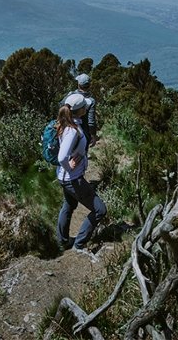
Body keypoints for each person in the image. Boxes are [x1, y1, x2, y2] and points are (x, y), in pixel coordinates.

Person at [56, 94, 107, 252]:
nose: (87, 107)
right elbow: (61, 157)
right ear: (80, 111)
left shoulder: (66, 124)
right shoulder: (73, 131)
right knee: (100, 210)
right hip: (73, 179)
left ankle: (63, 241)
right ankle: (79, 244)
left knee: (69, 205)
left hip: (64, 177)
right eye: (85, 106)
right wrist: (69, 166)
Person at [62, 73, 98, 147]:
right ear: (89, 85)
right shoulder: (91, 100)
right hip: (84, 131)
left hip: (69, 127)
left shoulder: (71, 95)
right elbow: (91, 121)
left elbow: (61, 105)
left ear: (78, 84)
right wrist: (93, 135)